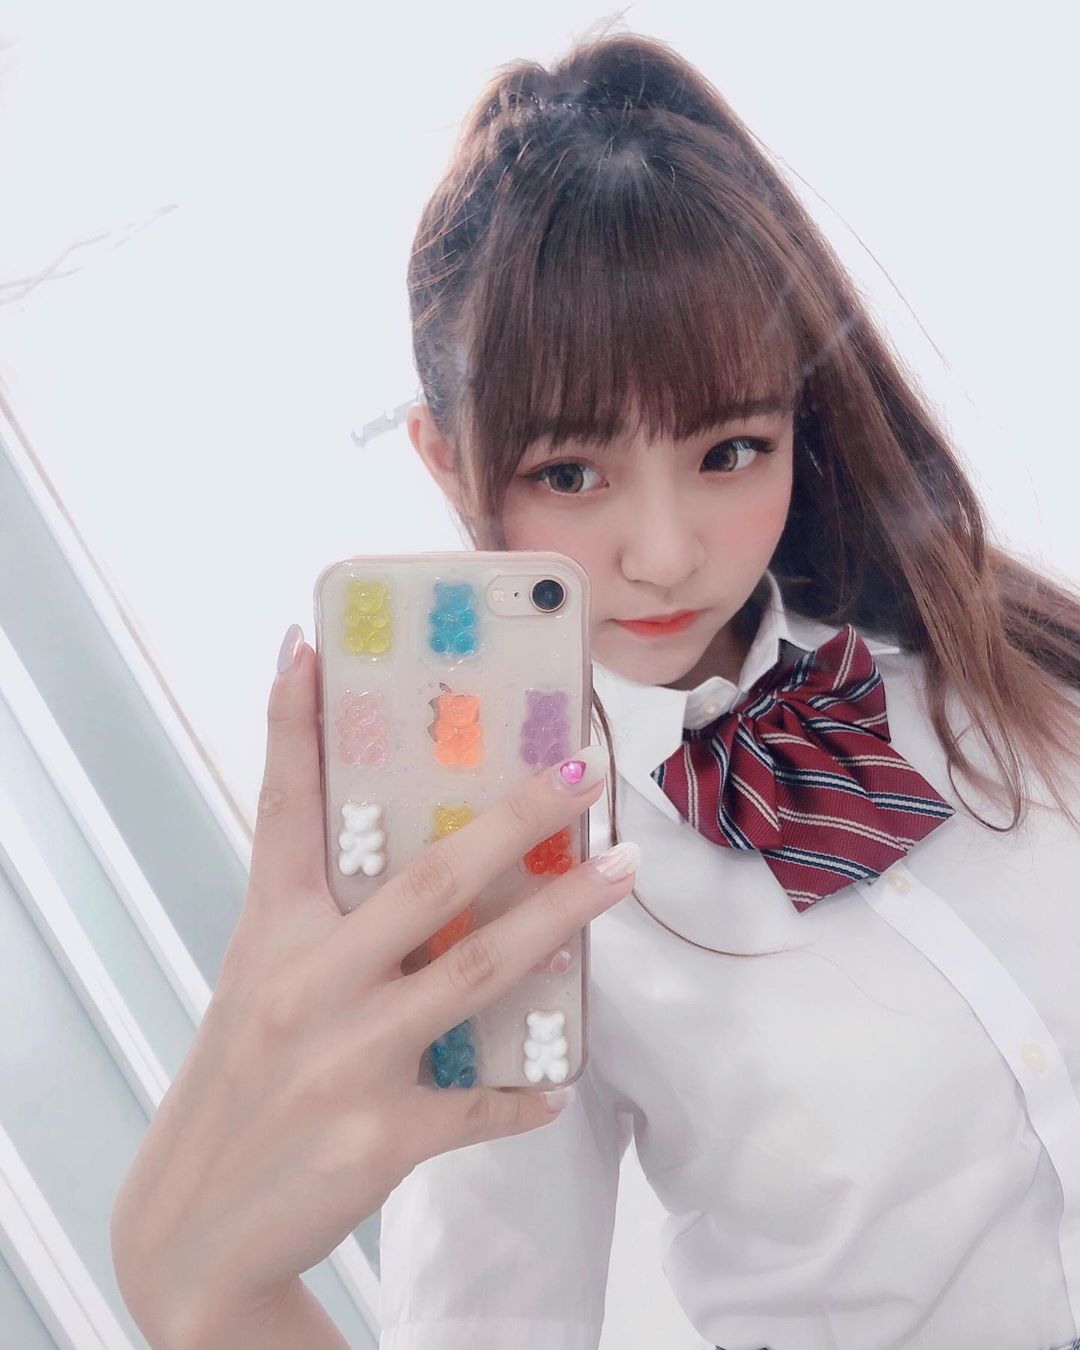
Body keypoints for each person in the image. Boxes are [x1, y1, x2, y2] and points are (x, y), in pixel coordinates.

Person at [110, 23, 1080, 1350]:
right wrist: (213, 1299)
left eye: (730, 449)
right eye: (571, 474)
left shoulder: (986, 668)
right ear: (448, 462)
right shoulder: (511, 892)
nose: (665, 552)